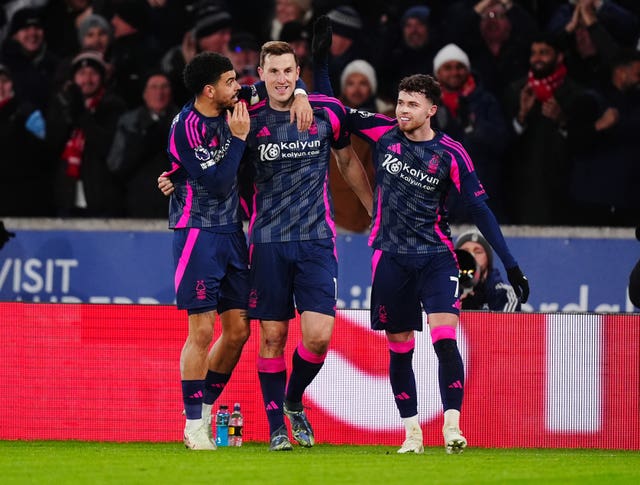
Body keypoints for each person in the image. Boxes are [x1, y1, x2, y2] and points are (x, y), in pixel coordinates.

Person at [312, 18, 529, 454]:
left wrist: (512, 265)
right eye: (400, 102)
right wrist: (320, 62)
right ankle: (412, 432)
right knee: (400, 348)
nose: (402, 110)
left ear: (432, 109)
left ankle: (452, 426)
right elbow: (330, 109)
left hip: (436, 257)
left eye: (412, 104)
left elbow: (481, 210)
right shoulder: (381, 132)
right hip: (390, 258)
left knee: (445, 339)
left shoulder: (451, 153)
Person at [243, 41, 372, 451]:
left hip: (317, 240)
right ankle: (275, 427)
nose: (281, 79)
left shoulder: (323, 112)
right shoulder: (246, 118)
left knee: (317, 336)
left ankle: (293, 399)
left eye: (288, 71)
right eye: (273, 71)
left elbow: (348, 161)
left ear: (298, 73)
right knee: (272, 337)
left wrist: (376, 213)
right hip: (267, 242)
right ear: (260, 75)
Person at [164, 51, 252, 451]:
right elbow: (217, 184)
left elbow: (275, 87)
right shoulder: (186, 127)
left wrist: (300, 93)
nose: (239, 86)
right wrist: (237, 140)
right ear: (209, 90)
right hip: (198, 232)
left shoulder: (235, 103)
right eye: (231, 81)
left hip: (233, 232)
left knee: (237, 332)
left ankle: (208, 407)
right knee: (202, 332)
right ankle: (193, 425)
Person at [431, 43, 508, 223]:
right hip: (440, 202)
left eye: (460, 67)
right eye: (447, 67)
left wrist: (473, 130)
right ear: (437, 73)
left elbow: (502, 142)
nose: (454, 72)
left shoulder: (485, 101)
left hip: (481, 196)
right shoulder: (426, 106)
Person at [46, 50, 127, 217]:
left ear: (102, 78)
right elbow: (51, 147)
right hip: (66, 198)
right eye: (82, 73)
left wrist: (82, 114)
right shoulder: (61, 105)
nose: (87, 80)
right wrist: (69, 112)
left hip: (102, 200)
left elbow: (106, 147)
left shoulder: (113, 107)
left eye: (93, 73)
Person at [107, 70, 178, 218]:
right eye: (154, 87)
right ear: (144, 93)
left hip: (177, 203)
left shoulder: (185, 122)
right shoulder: (129, 123)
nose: (159, 93)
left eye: (164, 87)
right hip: (138, 202)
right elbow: (115, 164)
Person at [455, 230, 521, 311]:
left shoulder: (505, 295)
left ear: (488, 258)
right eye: (465, 252)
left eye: (478, 252)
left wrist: (474, 315)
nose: (471, 256)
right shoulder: (444, 293)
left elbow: (507, 323)